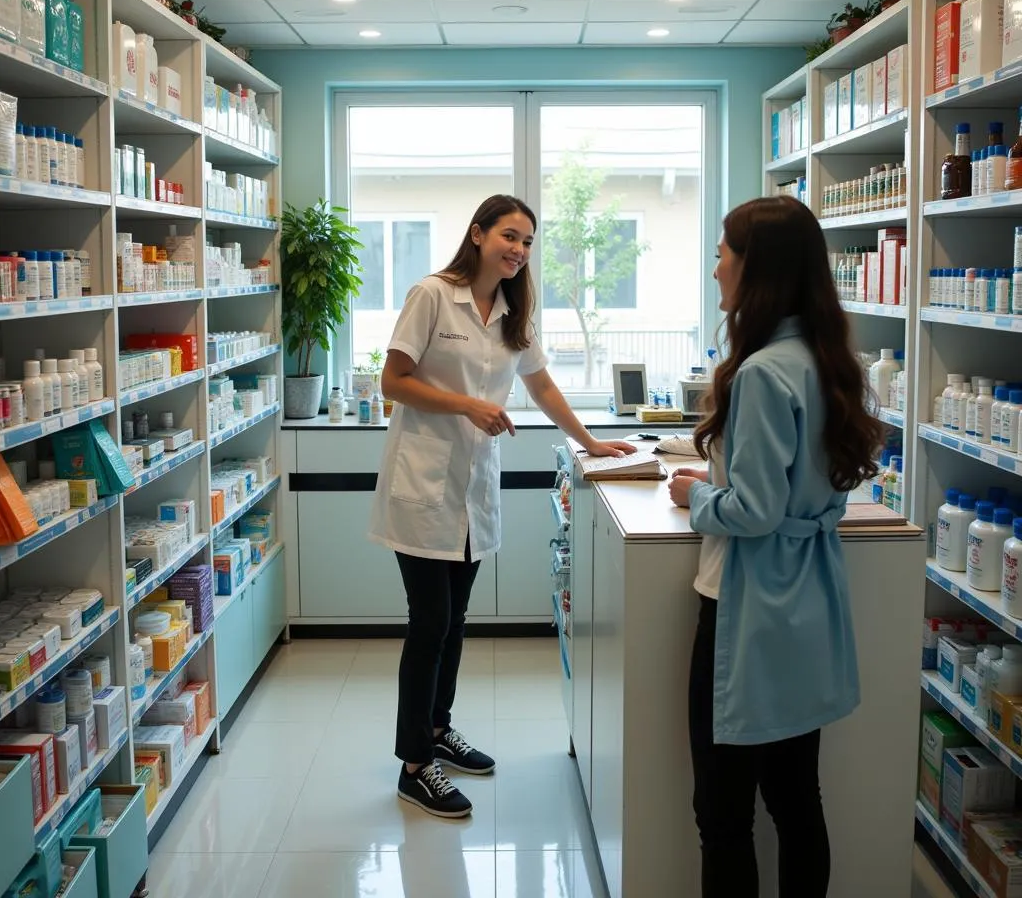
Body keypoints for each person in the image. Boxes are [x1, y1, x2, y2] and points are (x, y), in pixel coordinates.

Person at [368, 193, 636, 819]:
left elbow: (539, 383)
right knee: (430, 623)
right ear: (478, 233)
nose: (518, 250)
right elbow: (393, 381)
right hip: (423, 488)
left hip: (472, 492)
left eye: (527, 242)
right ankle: (414, 766)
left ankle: (438, 732)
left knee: (454, 622)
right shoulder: (432, 295)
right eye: (509, 236)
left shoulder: (515, 311)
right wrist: (469, 405)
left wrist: (590, 442)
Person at [668, 195, 884, 897]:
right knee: (797, 800)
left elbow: (753, 512)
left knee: (722, 814)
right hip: (808, 601)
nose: (715, 270)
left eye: (722, 254)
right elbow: (805, 487)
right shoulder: (825, 359)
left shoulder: (762, 371)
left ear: (753, 269)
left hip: (745, 607)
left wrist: (697, 495)